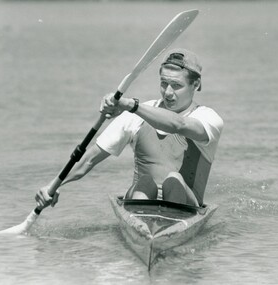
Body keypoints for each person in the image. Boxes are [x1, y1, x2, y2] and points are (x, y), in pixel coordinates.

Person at [35, 48, 223, 209]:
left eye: (176, 85)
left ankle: (162, 227)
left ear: (196, 84)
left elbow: (178, 124)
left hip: (186, 207)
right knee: (145, 181)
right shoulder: (135, 116)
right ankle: (143, 224)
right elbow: (89, 160)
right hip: (140, 199)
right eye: (164, 83)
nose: (168, 92)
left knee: (173, 179)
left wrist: (130, 105)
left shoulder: (208, 118)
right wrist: (53, 186)